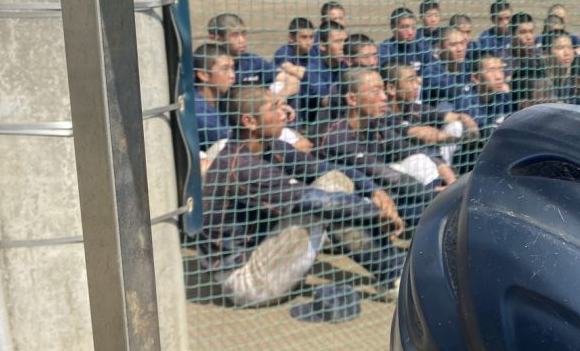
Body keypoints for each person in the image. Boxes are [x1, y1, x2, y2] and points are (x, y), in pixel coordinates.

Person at [198, 86, 403, 306]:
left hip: (265, 253)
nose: (283, 114)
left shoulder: (270, 147)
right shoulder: (242, 164)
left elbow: (329, 168)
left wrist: (376, 192)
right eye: (274, 108)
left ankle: (394, 270)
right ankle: (393, 274)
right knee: (327, 201)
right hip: (243, 281)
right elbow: (319, 202)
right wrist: (376, 212)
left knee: (335, 184)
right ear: (250, 121)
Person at [314, 67, 453, 228]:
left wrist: (446, 174)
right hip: (360, 199)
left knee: (418, 160)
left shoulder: (376, 125)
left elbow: (409, 150)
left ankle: (440, 209)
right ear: (352, 99)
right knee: (426, 208)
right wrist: (438, 196)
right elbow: (382, 173)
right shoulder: (338, 136)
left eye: (383, 90)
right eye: (375, 91)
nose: (384, 97)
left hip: (390, 192)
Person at [421, 25, 476, 109]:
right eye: (453, 45)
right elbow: (453, 93)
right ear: (439, 48)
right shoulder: (432, 72)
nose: (460, 49)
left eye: (462, 43)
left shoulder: (468, 65)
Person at [193, 43, 235, 153]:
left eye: (232, 68)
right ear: (204, 75)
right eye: (225, 69)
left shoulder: (226, 99)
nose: (232, 75)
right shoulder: (197, 110)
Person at [379, 6, 434, 72]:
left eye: (413, 27)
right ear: (393, 27)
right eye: (405, 27)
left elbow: (435, 70)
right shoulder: (385, 50)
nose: (410, 32)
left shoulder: (421, 47)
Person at [545, 32, 580, 103]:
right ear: (546, 53)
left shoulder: (577, 82)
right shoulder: (542, 82)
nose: (567, 53)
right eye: (560, 48)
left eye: (570, 47)